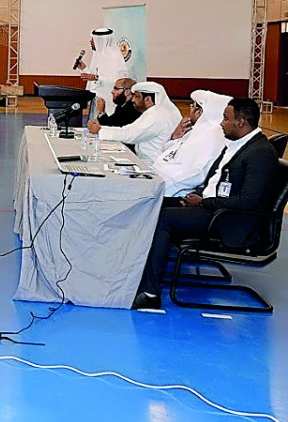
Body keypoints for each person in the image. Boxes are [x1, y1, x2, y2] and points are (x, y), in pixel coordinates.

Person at [135, 98, 281, 310]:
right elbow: (215, 181)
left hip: (230, 219)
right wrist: (195, 196)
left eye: (226, 118)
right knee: (154, 204)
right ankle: (139, 272)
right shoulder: (236, 145)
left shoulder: (260, 153)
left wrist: (204, 202)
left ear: (241, 122)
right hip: (215, 208)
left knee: (164, 219)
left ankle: (150, 293)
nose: (221, 123)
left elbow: (248, 201)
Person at [152, 90, 231, 198]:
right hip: (160, 180)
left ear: (199, 112)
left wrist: (160, 187)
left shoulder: (211, 136)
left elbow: (196, 173)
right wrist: (175, 135)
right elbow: (169, 154)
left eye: (192, 106)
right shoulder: (197, 129)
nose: (190, 109)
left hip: (173, 191)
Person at [87, 81, 180, 163]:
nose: (132, 100)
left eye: (136, 96)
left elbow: (130, 135)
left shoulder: (157, 116)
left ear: (148, 99)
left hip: (152, 165)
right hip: (144, 160)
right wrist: (100, 129)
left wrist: (99, 131)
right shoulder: (152, 113)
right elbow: (127, 129)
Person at [76, 28, 128, 116]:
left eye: (93, 39)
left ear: (100, 40)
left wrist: (97, 78)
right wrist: (84, 69)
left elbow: (119, 81)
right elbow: (95, 77)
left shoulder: (114, 57)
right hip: (96, 99)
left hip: (109, 100)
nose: (90, 42)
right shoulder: (98, 55)